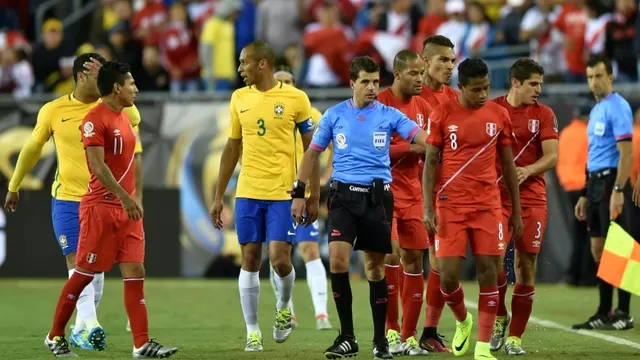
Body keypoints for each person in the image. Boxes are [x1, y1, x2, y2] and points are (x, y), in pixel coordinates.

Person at [290, 55, 431, 360]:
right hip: (342, 198)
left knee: (375, 268)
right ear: (352, 83)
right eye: (365, 81)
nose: (371, 87)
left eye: (375, 82)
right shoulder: (333, 115)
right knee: (338, 262)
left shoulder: (390, 115)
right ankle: (347, 337)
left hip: (377, 199)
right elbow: (312, 154)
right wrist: (301, 193)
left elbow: (424, 139)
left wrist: (443, 143)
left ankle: (381, 340)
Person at [3, 53, 144, 351]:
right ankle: (91, 325)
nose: (106, 82)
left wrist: (134, 196)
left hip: (106, 203)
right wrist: (14, 185)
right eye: (99, 76)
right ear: (81, 76)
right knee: (77, 263)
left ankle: (79, 327)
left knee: (95, 272)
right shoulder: (54, 110)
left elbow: (136, 154)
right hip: (68, 199)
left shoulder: (118, 109)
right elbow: (31, 148)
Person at [44, 60, 177, 358]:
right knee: (83, 274)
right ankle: (54, 336)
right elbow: (97, 166)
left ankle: (141, 343)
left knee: (135, 270)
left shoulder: (125, 117)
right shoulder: (94, 119)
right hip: (100, 208)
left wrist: (132, 197)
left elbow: (133, 160)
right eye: (131, 84)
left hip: (125, 210)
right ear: (117, 88)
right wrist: (124, 197)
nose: (136, 89)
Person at [209, 40, 319, 352]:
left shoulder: (296, 98)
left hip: (283, 194)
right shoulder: (238, 98)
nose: (240, 69)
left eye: (244, 62)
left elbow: (313, 149)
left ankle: (284, 305)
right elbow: (232, 149)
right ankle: (253, 330)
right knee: (250, 258)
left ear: (262, 64)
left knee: (281, 259)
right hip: (247, 192)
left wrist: (311, 196)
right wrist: (218, 196)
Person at [422, 58, 523, 360]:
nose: (482, 95)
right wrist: (428, 208)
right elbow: (429, 163)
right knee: (448, 276)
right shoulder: (442, 113)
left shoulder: (499, 114)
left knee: (488, 271)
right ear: (461, 87)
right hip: (450, 205)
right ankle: (463, 320)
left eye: (486, 89)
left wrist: (515, 212)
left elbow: (508, 164)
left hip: (487, 206)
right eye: (476, 90)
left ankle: (482, 347)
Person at [489, 58, 559, 355]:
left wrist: (528, 171)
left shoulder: (544, 114)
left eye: (540, 83)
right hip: (496, 197)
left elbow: (552, 156)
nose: (538, 90)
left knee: (525, 265)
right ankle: (499, 316)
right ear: (515, 82)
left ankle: (515, 338)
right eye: (533, 83)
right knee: (493, 262)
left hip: (531, 197)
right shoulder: (492, 109)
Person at [573, 54, 638, 330]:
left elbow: (626, 152)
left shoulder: (618, 106)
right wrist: (586, 192)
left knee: (620, 248)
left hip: (613, 181)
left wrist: (620, 189)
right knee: (598, 249)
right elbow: (593, 154)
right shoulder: (597, 109)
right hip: (597, 184)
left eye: (598, 76)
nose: (593, 82)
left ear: (610, 77)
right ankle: (603, 311)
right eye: (589, 77)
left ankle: (624, 312)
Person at [268, 67, 333, 331]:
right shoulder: (266, 114)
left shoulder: (311, 114)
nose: (284, 85)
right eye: (279, 82)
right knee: (279, 256)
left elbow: (333, 147)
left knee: (310, 250)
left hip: (303, 194)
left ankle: (321, 315)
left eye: (288, 81)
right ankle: (288, 313)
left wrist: (328, 174)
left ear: (296, 84)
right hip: (273, 195)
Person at [376, 49, 431, 356]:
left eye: (422, 73)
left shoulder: (423, 106)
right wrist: (409, 149)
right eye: (414, 73)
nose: (420, 79)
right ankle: (391, 331)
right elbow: (374, 149)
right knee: (391, 256)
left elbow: (430, 147)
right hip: (384, 192)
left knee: (414, 261)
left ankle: (410, 337)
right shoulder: (380, 103)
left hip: (414, 193)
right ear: (397, 74)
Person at [417, 34, 459, 353]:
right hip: (406, 188)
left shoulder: (456, 100)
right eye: (442, 59)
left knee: (439, 263)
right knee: (396, 258)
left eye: (451, 59)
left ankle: (428, 330)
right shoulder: (410, 98)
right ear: (424, 61)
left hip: (442, 192)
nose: (449, 65)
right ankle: (395, 334)